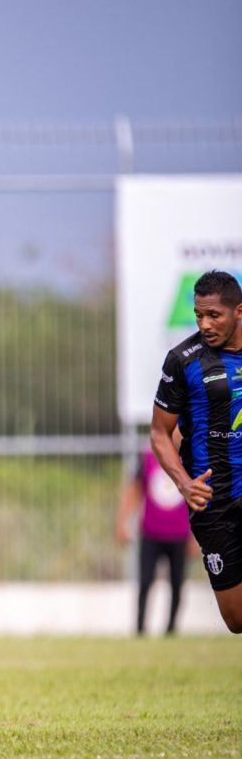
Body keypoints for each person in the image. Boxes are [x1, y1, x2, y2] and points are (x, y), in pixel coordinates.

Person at [151, 269, 242, 635]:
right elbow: (159, 433)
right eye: (198, 315)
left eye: (213, 315)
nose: (204, 324)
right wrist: (184, 484)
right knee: (236, 619)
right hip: (213, 502)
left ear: (238, 311)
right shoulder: (182, 361)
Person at [116, 438, 192, 635]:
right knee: (145, 581)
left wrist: (196, 537)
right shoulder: (148, 456)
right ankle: (140, 628)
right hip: (151, 533)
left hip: (179, 534)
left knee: (177, 583)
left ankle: (171, 628)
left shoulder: (190, 457)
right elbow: (134, 489)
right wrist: (123, 522)